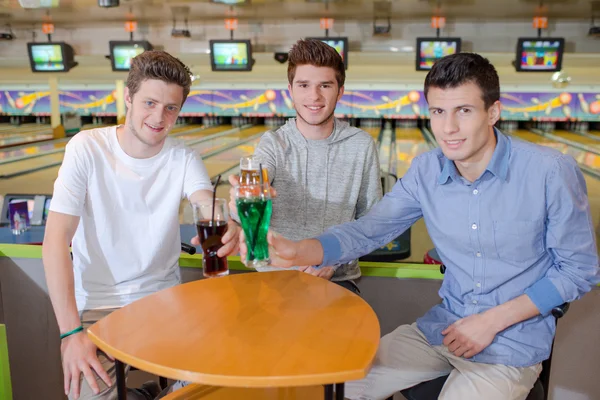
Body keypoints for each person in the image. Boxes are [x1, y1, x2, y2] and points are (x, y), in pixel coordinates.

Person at [249, 53, 600, 399]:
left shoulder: (550, 172)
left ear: (493, 112)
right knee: (337, 387)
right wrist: (299, 249)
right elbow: (369, 230)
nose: (448, 128)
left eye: (464, 110)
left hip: (510, 344)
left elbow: (580, 269)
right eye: (438, 112)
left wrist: (490, 322)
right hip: (442, 330)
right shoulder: (426, 171)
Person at [43, 50, 240, 400]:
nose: (159, 117)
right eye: (150, 103)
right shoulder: (86, 148)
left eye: (170, 108)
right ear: (129, 97)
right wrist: (70, 333)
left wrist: (228, 224)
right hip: (97, 311)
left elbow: (204, 202)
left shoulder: (184, 158)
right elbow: (55, 241)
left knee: (219, 385)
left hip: (165, 305)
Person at [229, 38, 382, 294]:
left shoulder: (361, 145)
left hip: (337, 280)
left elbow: (372, 223)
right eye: (304, 85)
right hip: (275, 278)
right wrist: (241, 199)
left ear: (340, 91)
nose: (314, 96)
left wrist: (333, 259)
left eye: (325, 85)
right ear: (291, 90)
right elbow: (256, 180)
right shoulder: (274, 144)